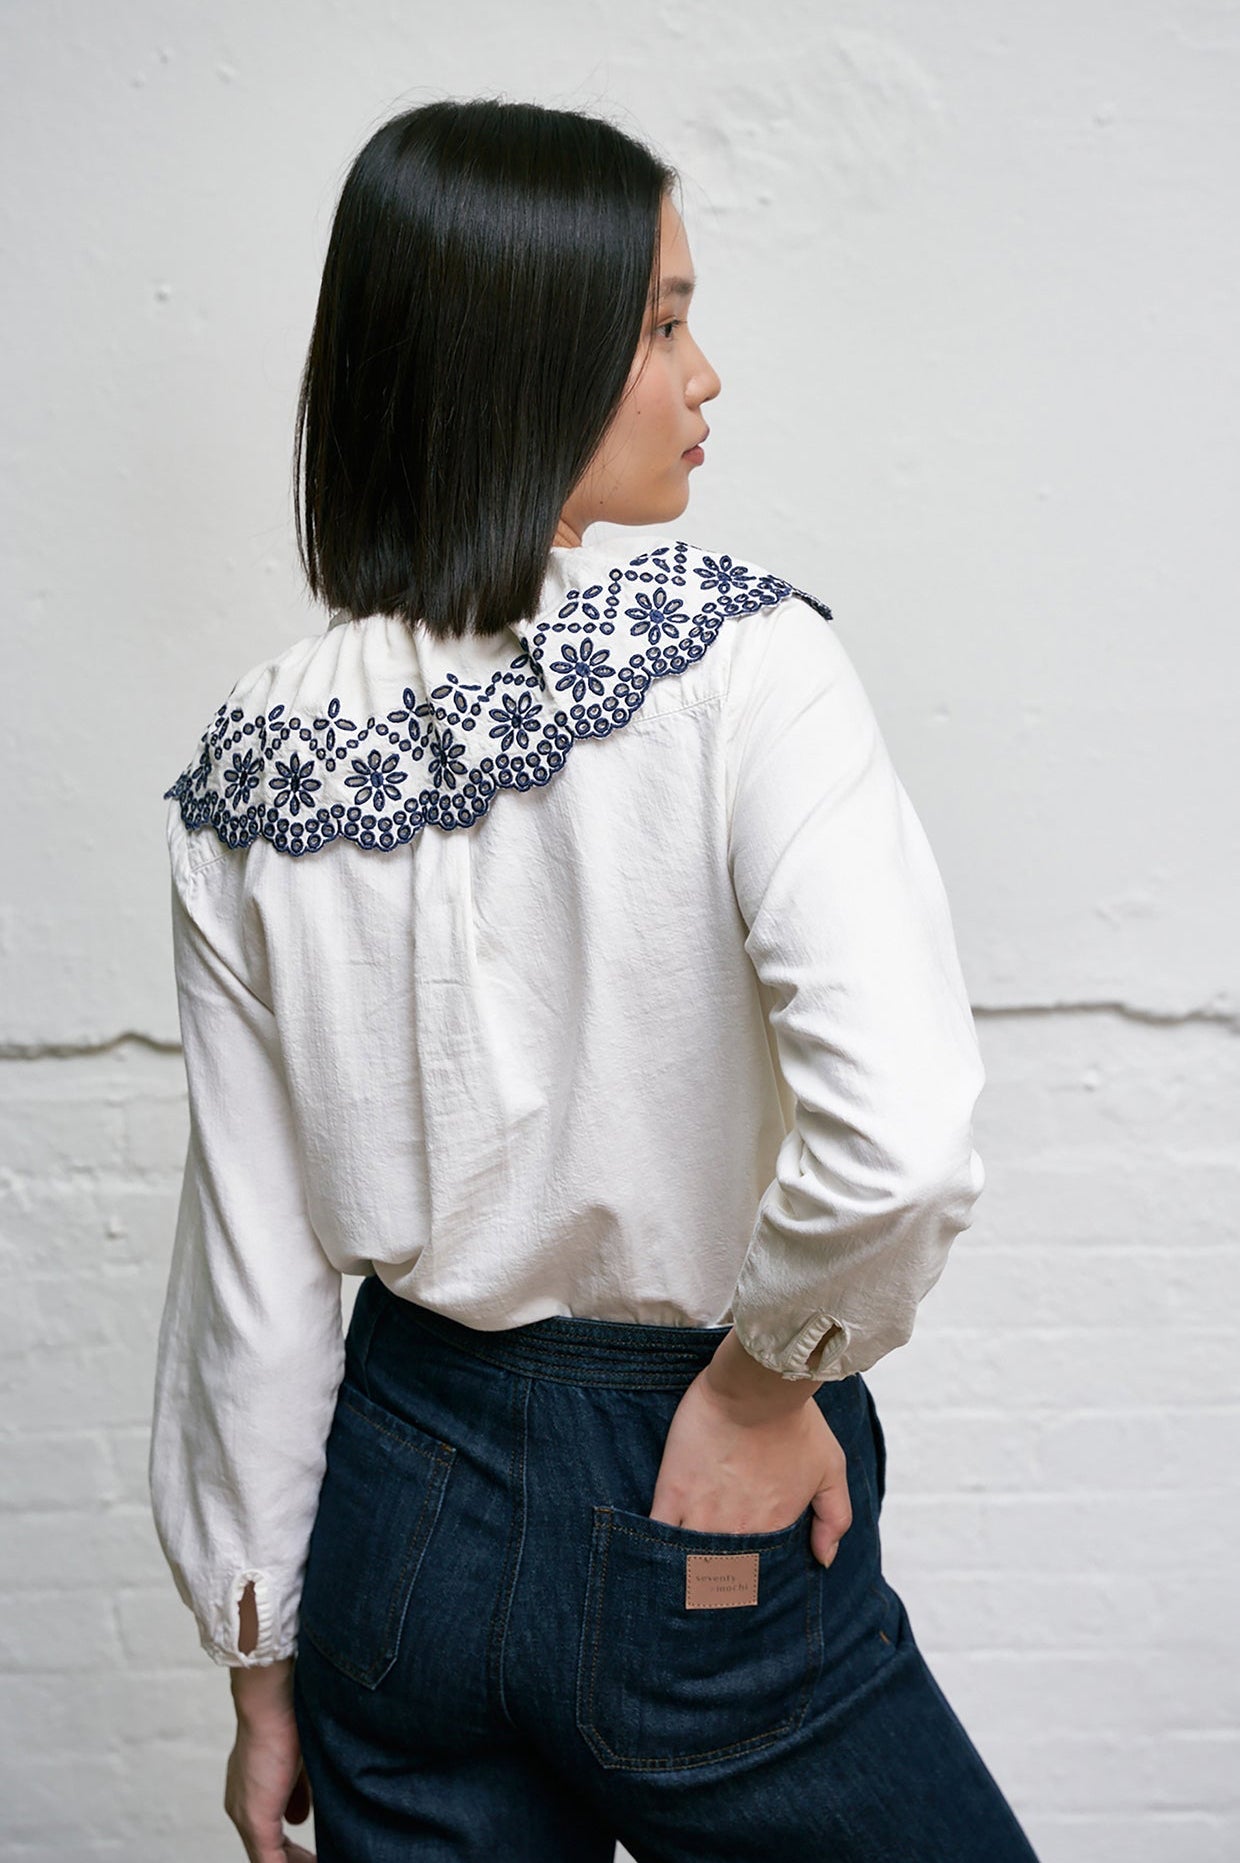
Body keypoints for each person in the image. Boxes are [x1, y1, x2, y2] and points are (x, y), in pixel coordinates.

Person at [149, 97, 1041, 1863]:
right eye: (659, 323)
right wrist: (760, 1386)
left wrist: (264, 1666)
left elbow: (250, 1277)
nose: (706, 378)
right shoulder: (743, 663)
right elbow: (906, 1139)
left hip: (395, 1521)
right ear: (525, 346)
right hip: (679, 1485)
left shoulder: (249, 760)